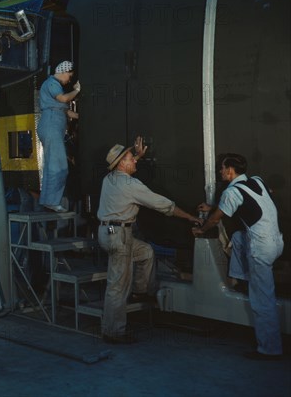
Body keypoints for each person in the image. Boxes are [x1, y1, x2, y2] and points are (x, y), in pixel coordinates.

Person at [97, 138, 201, 344]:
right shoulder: (131, 185)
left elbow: (125, 167)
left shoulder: (109, 178)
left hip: (107, 231)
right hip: (119, 236)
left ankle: (139, 291)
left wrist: (137, 156)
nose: (135, 162)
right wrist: (190, 217)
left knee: (145, 252)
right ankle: (113, 332)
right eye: (131, 159)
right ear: (121, 164)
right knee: (117, 286)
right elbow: (163, 205)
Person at [192, 153, 284, 360]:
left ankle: (270, 349)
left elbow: (215, 220)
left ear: (231, 170)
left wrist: (201, 229)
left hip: (261, 248)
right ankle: (241, 278)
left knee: (262, 300)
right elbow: (264, 195)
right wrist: (215, 207)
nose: (220, 171)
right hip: (276, 242)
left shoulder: (231, 192)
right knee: (238, 236)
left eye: (222, 168)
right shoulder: (256, 181)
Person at [37, 60, 80, 212]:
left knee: (51, 165)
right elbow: (63, 99)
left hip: (52, 124)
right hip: (51, 125)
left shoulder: (53, 86)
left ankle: (47, 200)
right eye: (69, 75)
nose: (69, 79)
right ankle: (52, 201)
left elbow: (66, 111)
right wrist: (76, 91)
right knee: (59, 166)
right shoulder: (52, 83)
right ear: (63, 71)